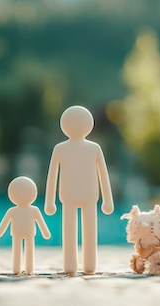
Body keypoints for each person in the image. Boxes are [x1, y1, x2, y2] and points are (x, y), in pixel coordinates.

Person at [45, 105, 114, 275]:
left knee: (86, 231)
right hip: (73, 195)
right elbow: (52, 174)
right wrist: (49, 200)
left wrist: (107, 199)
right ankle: (72, 264)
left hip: (86, 195)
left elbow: (103, 173)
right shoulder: (60, 149)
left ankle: (88, 263)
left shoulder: (93, 148)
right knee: (71, 232)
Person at [0, 176, 51, 275]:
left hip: (26, 233)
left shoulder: (32, 210)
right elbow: (5, 222)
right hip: (19, 233)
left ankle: (28, 268)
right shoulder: (14, 211)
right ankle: (18, 268)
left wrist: (45, 232)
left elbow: (41, 222)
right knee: (19, 250)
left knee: (27, 249)